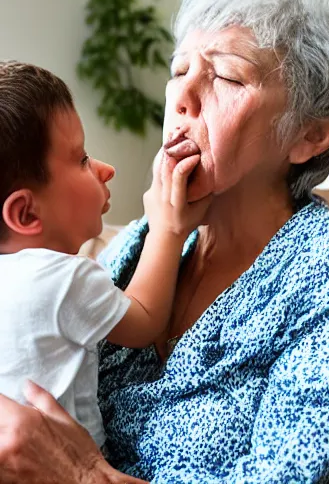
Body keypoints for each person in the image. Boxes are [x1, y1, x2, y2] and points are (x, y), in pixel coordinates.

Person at [0, 0, 329, 482]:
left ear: (311, 134)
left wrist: (85, 475)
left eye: (226, 76)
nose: (182, 98)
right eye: (179, 69)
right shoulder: (136, 249)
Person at [0, 61, 210, 446]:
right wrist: (166, 228)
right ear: (26, 213)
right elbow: (144, 321)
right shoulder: (65, 278)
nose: (106, 169)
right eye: (81, 159)